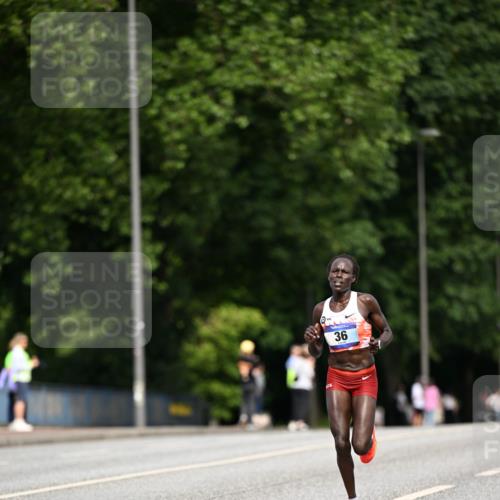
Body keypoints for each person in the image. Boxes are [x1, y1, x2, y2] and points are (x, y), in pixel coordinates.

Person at [304, 254, 393, 500]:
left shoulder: (365, 302)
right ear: (328, 276)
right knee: (340, 441)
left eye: (344, 272)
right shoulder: (320, 310)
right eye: (335, 271)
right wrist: (313, 341)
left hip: (365, 376)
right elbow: (317, 351)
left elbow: (387, 331)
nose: (338, 276)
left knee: (359, 446)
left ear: (353, 277)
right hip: (337, 378)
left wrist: (379, 343)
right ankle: (352, 497)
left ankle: (368, 434)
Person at [4, 333, 39, 432]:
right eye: (25, 341)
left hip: (20, 379)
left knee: (20, 400)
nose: (26, 343)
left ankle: (18, 421)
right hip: (20, 378)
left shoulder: (19, 352)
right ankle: (18, 421)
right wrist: (32, 363)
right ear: (20, 341)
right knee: (20, 400)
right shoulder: (18, 352)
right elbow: (18, 366)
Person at [286, 344, 316, 431]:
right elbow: (310, 374)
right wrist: (312, 365)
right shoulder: (307, 362)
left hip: (295, 385)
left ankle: (294, 422)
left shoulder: (294, 360)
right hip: (304, 385)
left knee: (296, 404)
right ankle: (300, 422)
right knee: (303, 405)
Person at [237, 339, 259, 429]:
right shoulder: (254, 359)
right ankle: (249, 422)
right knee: (250, 402)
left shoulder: (240, 358)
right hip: (251, 382)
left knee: (244, 402)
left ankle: (243, 417)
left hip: (244, 382)